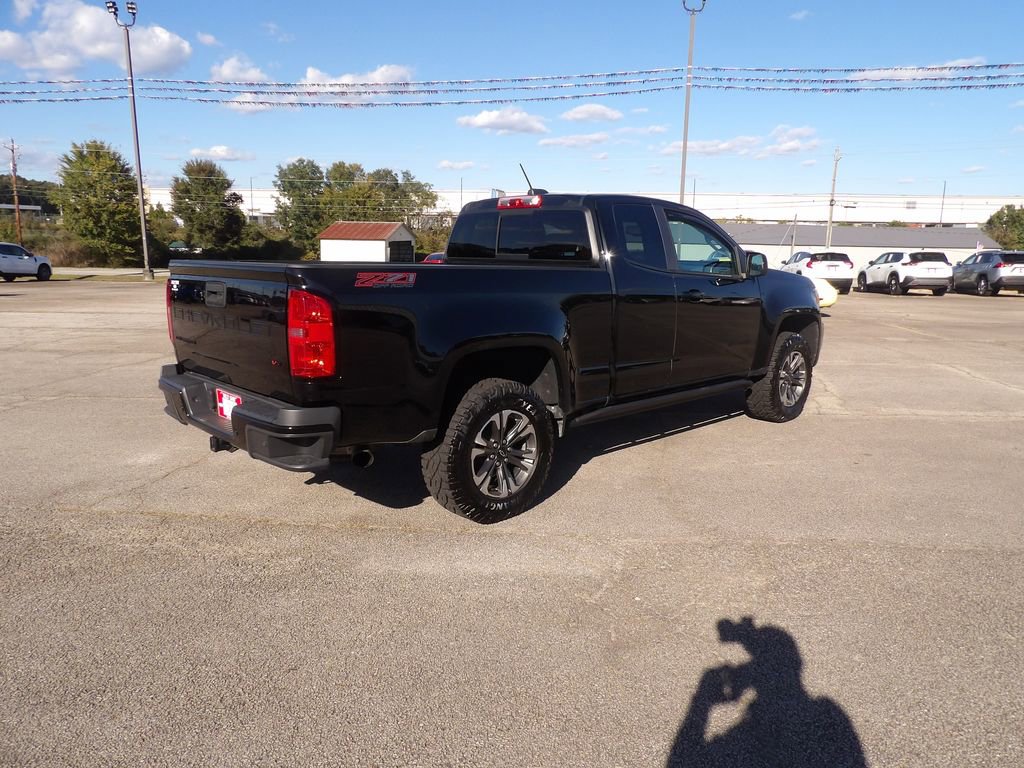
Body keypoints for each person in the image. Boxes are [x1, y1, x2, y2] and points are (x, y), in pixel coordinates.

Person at [667, 617, 867, 768]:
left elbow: (682, 760)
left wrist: (702, 701)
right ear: (796, 664)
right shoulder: (827, 713)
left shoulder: (824, 713)